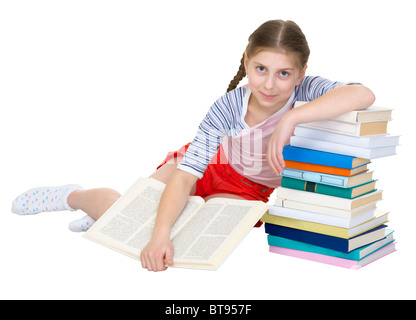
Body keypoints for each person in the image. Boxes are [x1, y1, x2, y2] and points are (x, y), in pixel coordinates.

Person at [11, 20, 375, 271]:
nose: (270, 85)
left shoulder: (306, 91)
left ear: (300, 71)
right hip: (205, 164)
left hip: (249, 189)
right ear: (247, 61)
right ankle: (73, 196)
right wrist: (157, 235)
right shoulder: (227, 106)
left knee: (192, 243)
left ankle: (104, 218)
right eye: (261, 69)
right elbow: (186, 176)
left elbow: (363, 94)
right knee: (139, 223)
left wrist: (292, 119)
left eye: (284, 73)